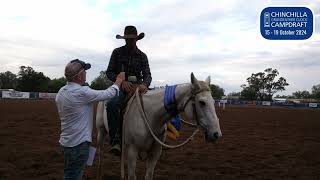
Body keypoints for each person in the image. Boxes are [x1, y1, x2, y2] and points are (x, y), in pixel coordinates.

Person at [56, 59, 125, 180]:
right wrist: (118, 81)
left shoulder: (61, 92)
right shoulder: (82, 92)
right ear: (79, 76)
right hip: (79, 144)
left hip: (66, 142)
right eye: (85, 72)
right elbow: (108, 94)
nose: (86, 74)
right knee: (73, 176)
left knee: (70, 172)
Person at [106, 25, 152, 155]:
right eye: (127, 39)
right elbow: (109, 72)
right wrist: (121, 82)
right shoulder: (116, 52)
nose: (129, 42)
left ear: (137, 39)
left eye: (132, 39)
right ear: (124, 39)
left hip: (139, 87)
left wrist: (144, 84)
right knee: (112, 104)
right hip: (121, 86)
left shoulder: (143, 56)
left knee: (157, 103)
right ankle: (115, 139)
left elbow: (148, 74)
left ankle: (156, 136)